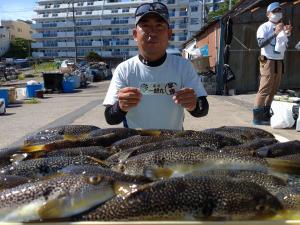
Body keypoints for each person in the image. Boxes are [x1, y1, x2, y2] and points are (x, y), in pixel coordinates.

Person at [103, 2, 209, 130]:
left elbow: (203, 109)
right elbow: (110, 118)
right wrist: (120, 107)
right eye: (145, 26)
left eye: (159, 26)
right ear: (135, 34)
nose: (152, 33)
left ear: (169, 34)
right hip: (136, 144)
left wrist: (194, 105)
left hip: (173, 143)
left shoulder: (183, 66)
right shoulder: (124, 69)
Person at [253, 2, 292, 125]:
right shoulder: (264, 27)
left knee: (274, 87)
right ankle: (257, 117)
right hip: (266, 58)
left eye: (279, 11)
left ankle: (266, 113)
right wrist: (275, 32)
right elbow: (260, 44)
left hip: (278, 59)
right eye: (274, 11)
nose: (277, 13)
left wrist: (287, 33)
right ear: (268, 14)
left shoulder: (283, 26)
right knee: (265, 87)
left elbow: (284, 44)